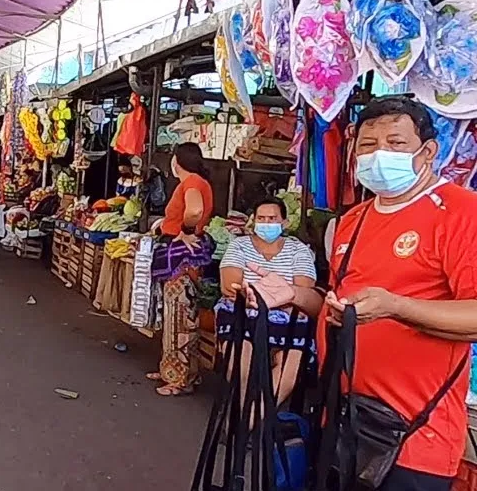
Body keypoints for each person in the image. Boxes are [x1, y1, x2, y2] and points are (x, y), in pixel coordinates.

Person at [314, 96, 477, 490]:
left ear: (428, 151)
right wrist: (293, 297)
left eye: (396, 143)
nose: (380, 154)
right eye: (368, 145)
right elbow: (340, 302)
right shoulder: (354, 219)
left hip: (415, 436)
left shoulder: (461, 211)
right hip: (342, 422)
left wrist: (396, 307)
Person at [216, 197, 317, 414]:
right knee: (241, 366)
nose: (266, 223)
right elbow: (230, 285)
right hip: (245, 314)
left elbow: (303, 288)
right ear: (253, 221)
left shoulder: (298, 250)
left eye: (272, 218)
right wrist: (274, 296)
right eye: (261, 218)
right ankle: (247, 421)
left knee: (287, 376)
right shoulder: (239, 245)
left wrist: (270, 294)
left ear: (284, 223)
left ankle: (252, 420)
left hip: (290, 322)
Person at [148, 142, 214, 397]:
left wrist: (185, 232)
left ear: (177, 160)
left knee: (180, 318)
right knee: (178, 317)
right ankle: (173, 370)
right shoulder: (195, 182)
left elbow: (195, 211)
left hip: (181, 260)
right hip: (181, 258)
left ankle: (180, 379)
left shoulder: (192, 182)